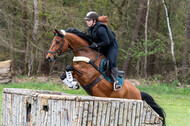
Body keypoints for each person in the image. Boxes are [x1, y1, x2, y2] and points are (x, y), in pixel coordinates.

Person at [84, 11, 122, 91]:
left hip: (111, 46)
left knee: (112, 62)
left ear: (94, 21)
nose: (87, 22)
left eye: (89, 20)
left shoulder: (100, 28)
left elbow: (107, 42)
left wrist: (96, 45)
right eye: (87, 20)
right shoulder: (90, 28)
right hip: (103, 46)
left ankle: (116, 82)